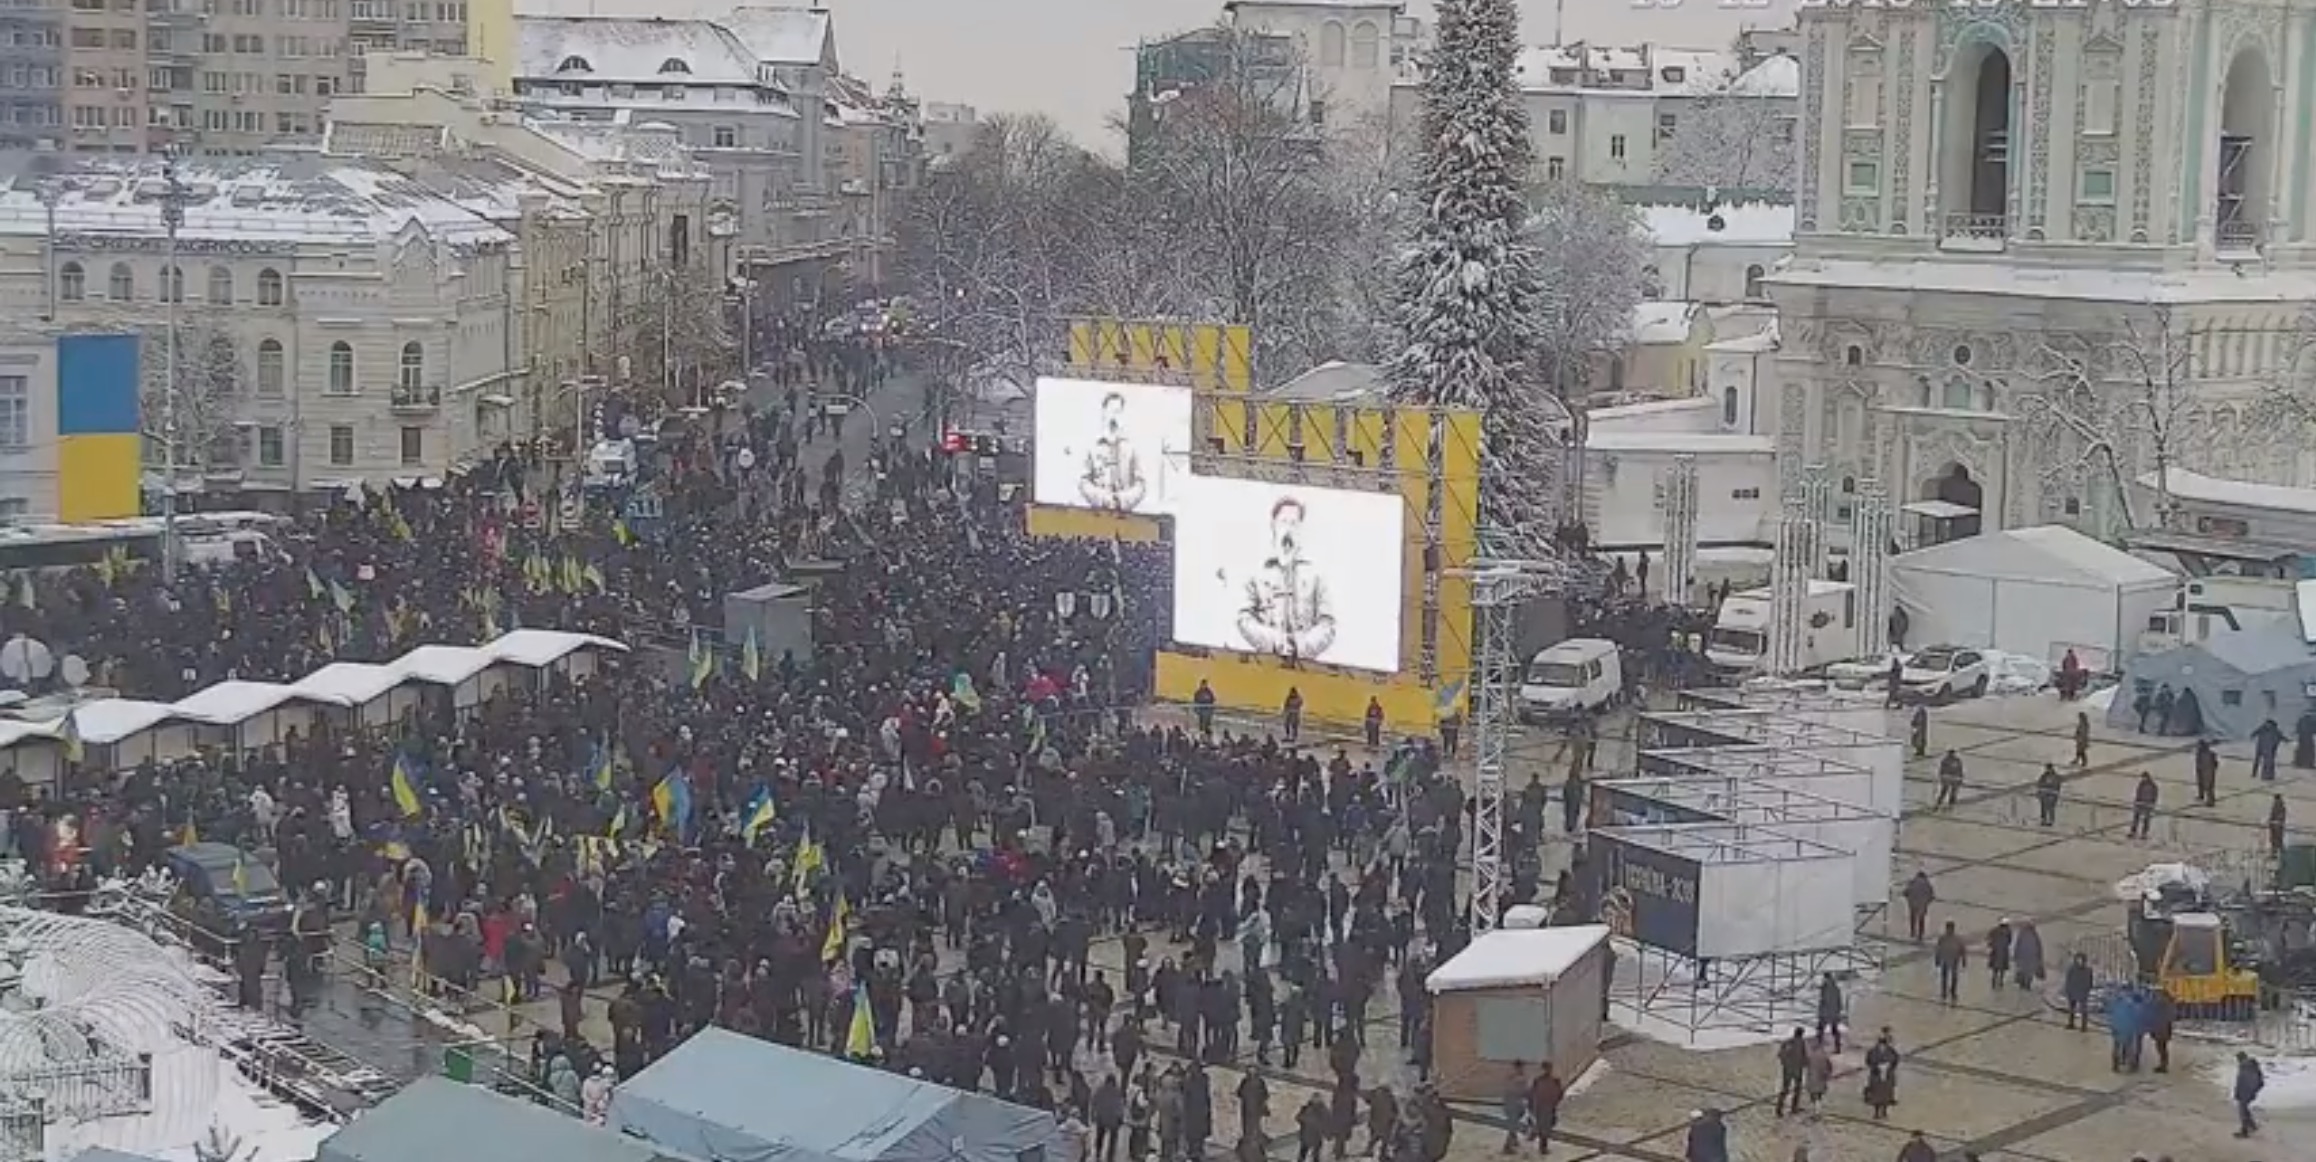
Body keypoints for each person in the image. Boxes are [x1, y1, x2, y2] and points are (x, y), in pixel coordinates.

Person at [1234, 497, 1338, 662]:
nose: (1288, 530)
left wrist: (1301, 646)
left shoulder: (1316, 574)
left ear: (1301, 529)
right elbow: (1243, 619)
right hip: (1264, 663)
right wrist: (1273, 641)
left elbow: (1328, 624)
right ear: (1273, 527)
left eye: (1294, 523)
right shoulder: (1257, 572)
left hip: (1306, 666)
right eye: (1283, 522)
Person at [1078, 391, 1148, 511]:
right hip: (1098, 514)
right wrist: (1102, 498)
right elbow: (1083, 482)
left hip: (1125, 515)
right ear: (1104, 413)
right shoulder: (1092, 447)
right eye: (1111, 411)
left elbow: (1140, 485)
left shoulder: (1131, 448)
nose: (1114, 417)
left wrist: (1122, 500)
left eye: (1118, 412)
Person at [1528, 1063, 1563, 1154]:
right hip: (1540, 1106)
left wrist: (1555, 1104)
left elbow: (1560, 1094)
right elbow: (1532, 1093)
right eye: (1545, 1069)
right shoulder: (1538, 1080)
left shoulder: (1555, 1081)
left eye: (1548, 1069)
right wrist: (1531, 1104)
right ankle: (1541, 1144)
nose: (1547, 1071)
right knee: (1542, 1126)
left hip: (1548, 1107)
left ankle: (1542, 1144)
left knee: (1546, 1127)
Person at [1774, 1029, 1807, 1116]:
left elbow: (1780, 1055)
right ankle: (1793, 1107)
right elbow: (1804, 1056)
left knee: (1786, 1089)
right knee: (1796, 1089)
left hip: (1788, 1070)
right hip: (1796, 1070)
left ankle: (1779, 1108)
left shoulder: (1787, 1042)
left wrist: (1785, 1064)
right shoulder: (1801, 1043)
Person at [1498, 1062, 1529, 1153]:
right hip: (1514, 1104)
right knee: (1513, 1125)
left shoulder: (1511, 1077)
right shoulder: (1519, 1079)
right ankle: (1507, 1146)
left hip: (1512, 1104)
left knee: (1513, 1123)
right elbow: (1523, 1091)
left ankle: (1514, 1140)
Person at [2233, 1050, 2265, 1137]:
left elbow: (2241, 1081)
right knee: (2244, 1108)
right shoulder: (2253, 1066)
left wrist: (2238, 1092)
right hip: (2251, 1090)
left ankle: (2245, 1130)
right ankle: (2251, 1125)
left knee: (2242, 1109)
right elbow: (2260, 1080)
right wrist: (2254, 1090)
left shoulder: (2244, 1067)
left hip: (2245, 1091)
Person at [1933, 921, 1966, 1003]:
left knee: (1954, 977)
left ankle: (1953, 992)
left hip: (1954, 959)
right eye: (1948, 928)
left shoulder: (1957, 939)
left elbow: (1962, 949)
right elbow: (1938, 949)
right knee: (1944, 976)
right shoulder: (1942, 938)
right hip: (1945, 959)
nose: (1949, 930)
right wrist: (1937, 959)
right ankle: (1944, 992)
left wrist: (1963, 960)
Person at [2061, 952, 2095, 1030]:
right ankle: (2071, 1023)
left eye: (2081, 960)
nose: (2080, 962)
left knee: (2083, 1009)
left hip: (2082, 992)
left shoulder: (2088, 970)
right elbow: (2068, 980)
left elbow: (2090, 982)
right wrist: (2067, 990)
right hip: (2073, 991)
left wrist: (2087, 989)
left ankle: (2083, 1025)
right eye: (2078, 960)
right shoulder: (2071, 969)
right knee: (2072, 1008)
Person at [1814, 973, 1844, 1053]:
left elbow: (1824, 1000)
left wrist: (1820, 1011)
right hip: (1834, 1012)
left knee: (1821, 1029)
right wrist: (1839, 1011)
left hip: (1826, 1013)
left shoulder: (1825, 988)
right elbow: (1840, 1002)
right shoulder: (1836, 988)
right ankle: (1838, 1047)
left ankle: (1819, 1045)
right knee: (1835, 1030)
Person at [1902, 871, 1935, 942]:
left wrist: (1909, 898)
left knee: (1913, 918)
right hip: (1922, 904)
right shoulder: (1927, 884)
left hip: (1912, 903)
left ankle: (1912, 932)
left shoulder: (1912, 882)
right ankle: (1920, 935)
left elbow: (1905, 892)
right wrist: (1926, 902)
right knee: (1921, 919)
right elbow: (1931, 896)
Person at [2128, 772, 2159, 839]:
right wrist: (2136, 801)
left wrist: (2152, 804)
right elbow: (2138, 793)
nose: (2143, 779)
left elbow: (2154, 796)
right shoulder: (2141, 784)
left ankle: (2144, 833)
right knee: (2136, 818)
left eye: (2144, 777)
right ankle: (2133, 831)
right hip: (2140, 803)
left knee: (2146, 820)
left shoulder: (2153, 786)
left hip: (2148, 804)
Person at [2253, 717, 2284, 781]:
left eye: (2268, 724)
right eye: (2266, 724)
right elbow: (2255, 733)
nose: (2267, 725)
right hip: (2261, 747)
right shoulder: (2262, 728)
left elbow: (2281, 737)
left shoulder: (2275, 731)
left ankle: (2267, 776)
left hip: (2270, 749)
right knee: (2257, 761)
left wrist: (2287, 741)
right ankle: (2254, 773)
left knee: (2268, 763)